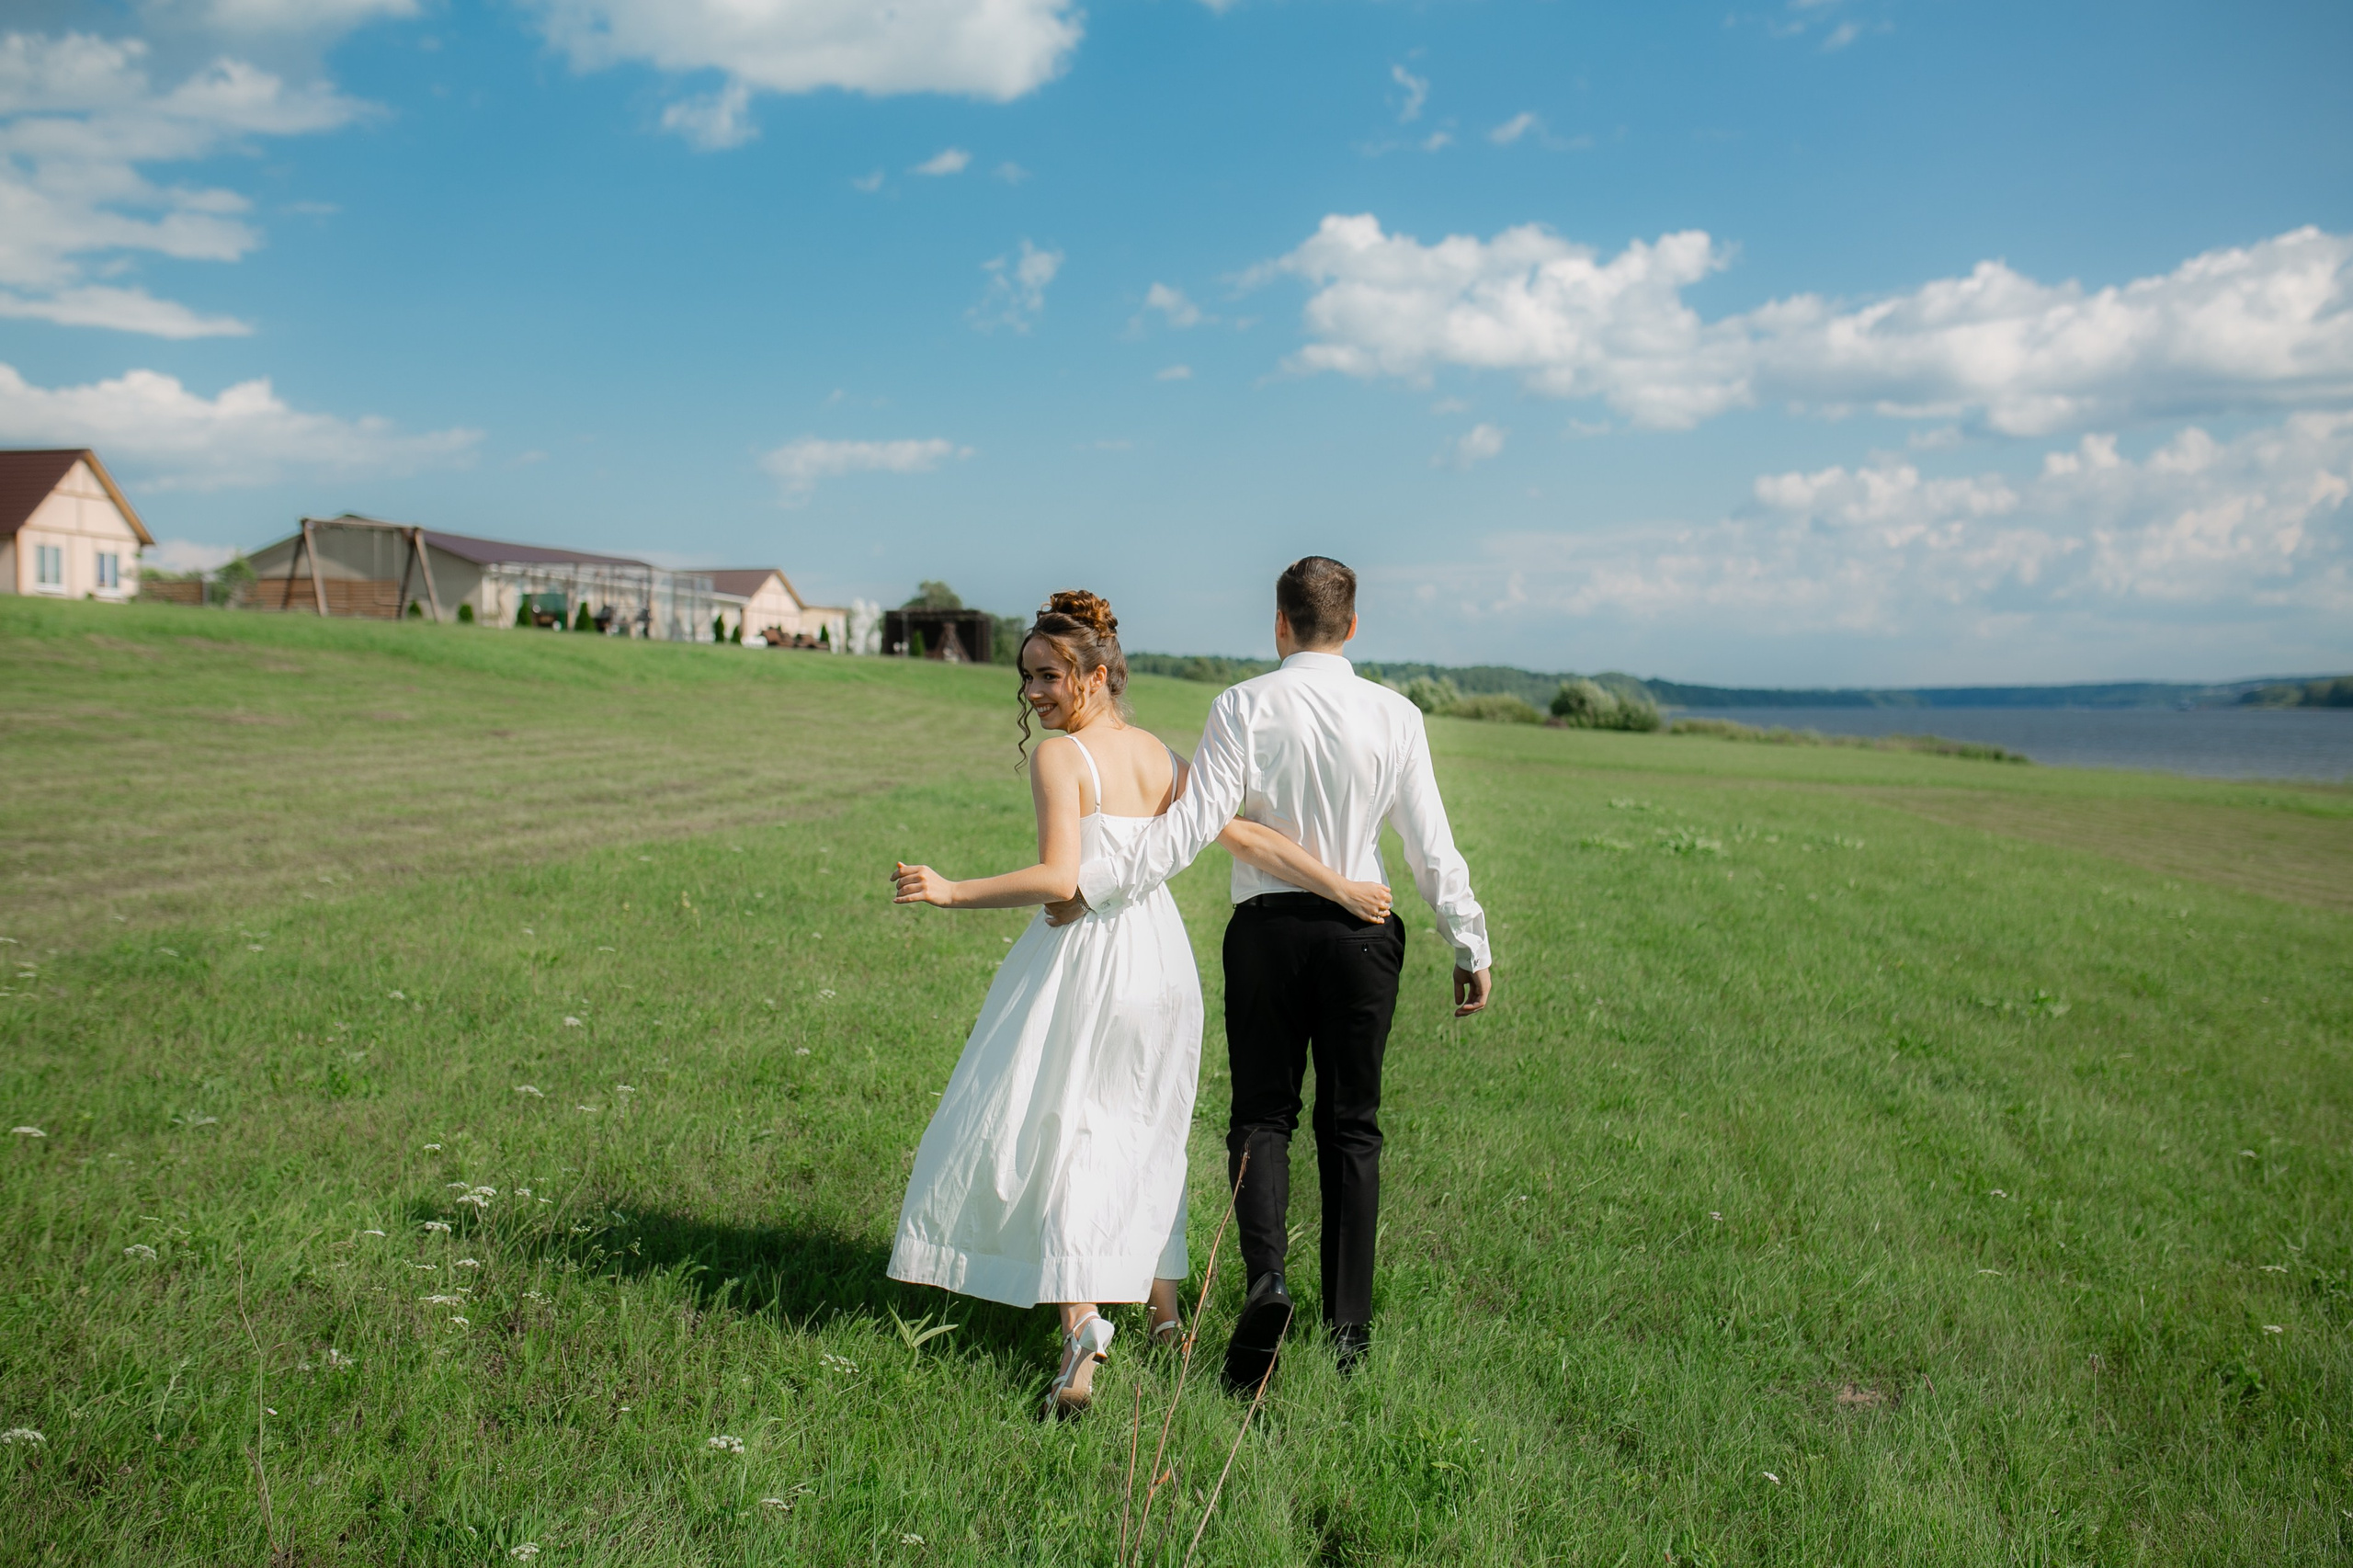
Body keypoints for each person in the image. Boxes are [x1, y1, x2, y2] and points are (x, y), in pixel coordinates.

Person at [887, 590, 1396, 1418]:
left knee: (1059, 1134)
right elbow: (1244, 834)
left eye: (1048, 677)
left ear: (1094, 674)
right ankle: (1164, 1323)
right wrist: (1339, 884)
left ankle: (1082, 1320)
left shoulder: (1061, 759)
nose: (1033, 695)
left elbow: (1061, 880)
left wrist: (951, 892)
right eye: (1027, 680)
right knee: (1142, 1131)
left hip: (1088, 963)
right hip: (1161, 968)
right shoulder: (1158, 755)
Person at [1065, 556, 1492, 1392]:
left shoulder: (1244, 705)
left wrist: (1096, 884)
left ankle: (1267, 1279)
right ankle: (1349, 1333)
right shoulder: (1396, 715)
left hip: (1265, 934)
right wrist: (1469, 943)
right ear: (1354, 626)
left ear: (1279, 623)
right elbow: (1429, 847)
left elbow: (1195, 825)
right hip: (1362, 934)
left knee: (1262, 1113)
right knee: (1353, 1128)